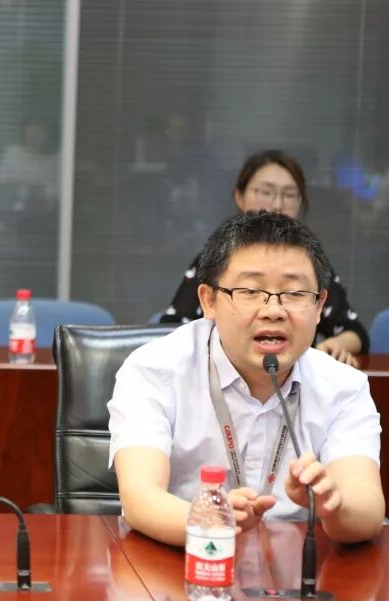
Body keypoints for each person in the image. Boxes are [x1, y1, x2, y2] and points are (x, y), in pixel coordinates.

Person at [109, 211, 384, 547]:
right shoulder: (154, 369)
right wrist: (212, 521)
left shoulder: (344, 387)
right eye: (251, 290)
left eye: (295, 293)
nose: (274, 310)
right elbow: (139, 497)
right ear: (208, 300)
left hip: (298, 565)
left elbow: (368, 512)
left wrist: (333, 506)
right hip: (182, 560)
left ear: (319, 306)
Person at [160, 150, 369, 367]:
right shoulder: (219, 259)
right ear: (239, 196)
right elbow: (171, 328)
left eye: (289, 195)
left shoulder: (307, 264)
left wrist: (335, 345)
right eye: (266, 192)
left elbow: (353, 330)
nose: (277, 204)